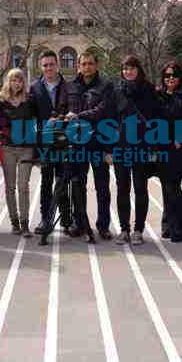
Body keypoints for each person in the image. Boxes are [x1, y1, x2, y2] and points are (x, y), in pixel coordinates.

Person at [66, 50, 115, 241]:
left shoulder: (106, 86)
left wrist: (78, 116)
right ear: (78, 66)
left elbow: (103, 112)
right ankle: (80, 223)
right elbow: (65, 110)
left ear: (96, 65)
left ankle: (103, 226)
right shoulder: (71, 86)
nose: (87, 67)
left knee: (102, 186)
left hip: (99, 143)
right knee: (79, 185)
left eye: (90, 63)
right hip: (78, 143)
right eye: (83, 64)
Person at [112, 55, 159, 245]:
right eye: (124, 68)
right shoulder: (117, 91)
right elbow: (111, 118)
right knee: (122, 188)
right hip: (120, 146)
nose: (128, 71)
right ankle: (124, 230)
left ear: (138, 69)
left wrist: (153, 147)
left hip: (141, 147)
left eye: (131, 68)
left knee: (140, 188)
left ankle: (138, 230)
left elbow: (155, 119)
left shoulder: (148, 90)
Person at [28, 50, 71, 234]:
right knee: (45, 182)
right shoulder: (34, 87)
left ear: (57, 64)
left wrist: (62, 120)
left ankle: (66, 220)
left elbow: (73, 110)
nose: (48, 68)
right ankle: (45, 219)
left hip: (63, 142)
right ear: (41, 66)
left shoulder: (68, 86)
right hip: (45, 144)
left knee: (63, 181)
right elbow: (31, 116)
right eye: (45, 65)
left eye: (51, 64)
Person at [156, 60, 182, 242]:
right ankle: (167, 226)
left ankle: (179, 228)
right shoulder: (160, 95)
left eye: (173, 75)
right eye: (167, 76)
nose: (170, 78)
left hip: (178, 147)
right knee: (166, 187)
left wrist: (181, 138)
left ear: (179, 77)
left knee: (174, 187)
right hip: (162, 145)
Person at [0, 68, 35, 237]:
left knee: (23, 186)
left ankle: (25, 223)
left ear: (23, 82)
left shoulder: (30, 100)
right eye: (13, 80)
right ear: (8, 81)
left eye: (20, 80)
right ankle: (14, 223)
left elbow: (36, 122)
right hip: (8, 148)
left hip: (26, 148)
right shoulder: (0, 101)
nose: (17, 83)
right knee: (10, 187)